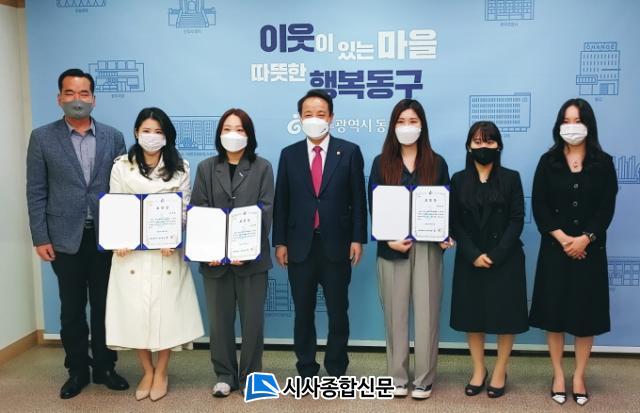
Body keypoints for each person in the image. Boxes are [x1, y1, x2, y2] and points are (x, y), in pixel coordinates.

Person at [26, 68, 129, 399]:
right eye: (70, 93)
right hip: (63, 237)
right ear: (59, 98)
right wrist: (40, 236)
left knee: (104, 306)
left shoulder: (113, 137)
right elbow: (36, 190)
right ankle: (77, 370)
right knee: (71, 309)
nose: (77, 99)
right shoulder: (42, 137)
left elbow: (124, 189)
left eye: (83, 93)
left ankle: (105, 367)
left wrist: (126, 233)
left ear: (93, 99)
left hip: (105, 237)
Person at [104, 107, 204, 401]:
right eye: (146, 131)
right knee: (135, 313)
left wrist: (172, 235)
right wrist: (120, 239)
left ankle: (161, 371)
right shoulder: (122, 166)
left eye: (158, 132)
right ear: (136, 132)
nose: (151, 136)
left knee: (166, 314)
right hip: (130, 255)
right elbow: (116, 206)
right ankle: (146, 370)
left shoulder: (180, 167)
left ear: (167, 136)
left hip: (165, 252)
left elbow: (184, 211)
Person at [273, 89, 368, 379]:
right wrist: (280, 242)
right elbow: (281, 202)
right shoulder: (289, 154)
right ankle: (306, 367)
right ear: (300, 118)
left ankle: (336, 366)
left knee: (338, 311)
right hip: (299, 245)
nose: (314, 119)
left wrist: (357, 238)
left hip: (337, 244)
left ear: (331, 117)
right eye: (308, 114)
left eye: (321, 114)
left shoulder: (349, 151)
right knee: (303, 311)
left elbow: (358, 199)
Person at [529, 98, 618, 406]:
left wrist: (585, 239)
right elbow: (539, 204)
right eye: (566, 121)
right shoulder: (548, 161)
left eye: (577, 121)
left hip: (590, 251)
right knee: (554, 315)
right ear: (558, 126)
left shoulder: (603, 163)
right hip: (555, 249)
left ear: (588, 125)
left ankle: (579, 375)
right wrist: (564, 238)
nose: (571, 127)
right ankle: (558, 373)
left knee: (585, 316)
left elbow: (606, 207)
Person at [367, 99, 451, 399]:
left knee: (427, 314)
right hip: (393, 248)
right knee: (395, 315)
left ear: (422, 126)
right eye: (401, 121)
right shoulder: (381, 163)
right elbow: (374, 206)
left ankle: (425, 378)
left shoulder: (437, 163)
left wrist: (444, 235)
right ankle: (398, 377)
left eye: (413, 121)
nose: (407, 127)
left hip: (428, 249)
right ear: (393, 126)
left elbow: (446, 207)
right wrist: (387, 239)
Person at [190, 108, 274, 397]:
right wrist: (210, 249)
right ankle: (225, 375)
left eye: (239, 129)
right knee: (219, 322)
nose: (233, 135)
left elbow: (265, 210)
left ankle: (251, 374)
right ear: (219, 134)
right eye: (227, 129)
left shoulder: (262, 167)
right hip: (215, 261)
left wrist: (246, 248)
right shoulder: (206, 168)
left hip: (251, 260)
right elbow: (199, 209)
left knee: (253, 323)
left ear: (249, 135)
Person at [449, 121, 529, 399]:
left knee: (506, 318)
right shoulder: (458, 179)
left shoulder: (511, 178)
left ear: (499, 146)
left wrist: (496, 254)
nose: (483, 147)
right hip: (470, 258)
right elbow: (454, 222)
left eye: (490, 141)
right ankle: (479, 369)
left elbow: (517, 220)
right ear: (469, 146)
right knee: (473, 317)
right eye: (478, 142)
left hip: (505, 259)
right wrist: (473, 254)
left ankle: (500, 370)